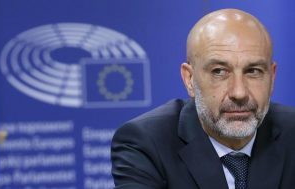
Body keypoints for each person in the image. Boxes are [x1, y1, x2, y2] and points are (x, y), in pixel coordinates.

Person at [111, 8, 295, 189]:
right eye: (219, 72)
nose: (239, 93)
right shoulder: (147, 143)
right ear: (189, 79)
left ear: (272, 77)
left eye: (253, 71)